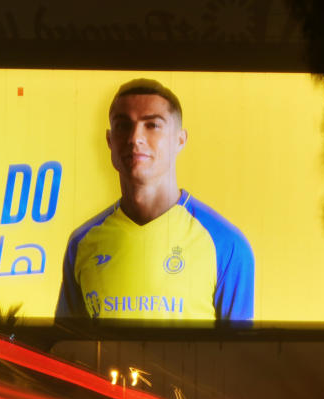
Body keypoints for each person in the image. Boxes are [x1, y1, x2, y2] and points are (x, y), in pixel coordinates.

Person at [55, 78, 254, 323]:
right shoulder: (82, 244)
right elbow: (65, 352)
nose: (135, 137)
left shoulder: (226, 245)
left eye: (152, 125)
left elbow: (238, 356)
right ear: (109, 140)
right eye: (123, 126)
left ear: (180, 140)